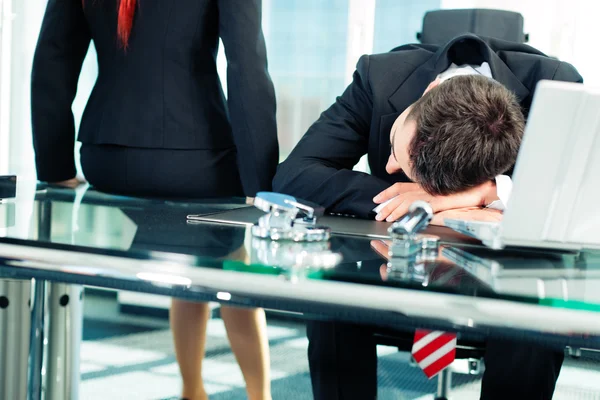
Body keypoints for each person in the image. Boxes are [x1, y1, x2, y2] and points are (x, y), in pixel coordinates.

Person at [273, 34, 582, 399]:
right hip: (393, 260)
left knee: (536, 314)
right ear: (429, 89)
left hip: (502, 272)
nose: (389, 165)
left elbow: (577, 197)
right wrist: (411, 199)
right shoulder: (379, 75)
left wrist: (493, 192)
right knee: (332, 294)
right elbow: (295, 174)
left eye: (395, 155)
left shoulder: (555, 86)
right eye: (393, 146)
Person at [31, 1, 278, 400]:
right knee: (234, 267)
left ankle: (191, 390)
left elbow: (52, 58)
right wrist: (260, 182)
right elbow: (247, 64)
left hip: (106, 159)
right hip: (195, 160)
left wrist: (54, 167)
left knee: (188, 260)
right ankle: (259, 395)